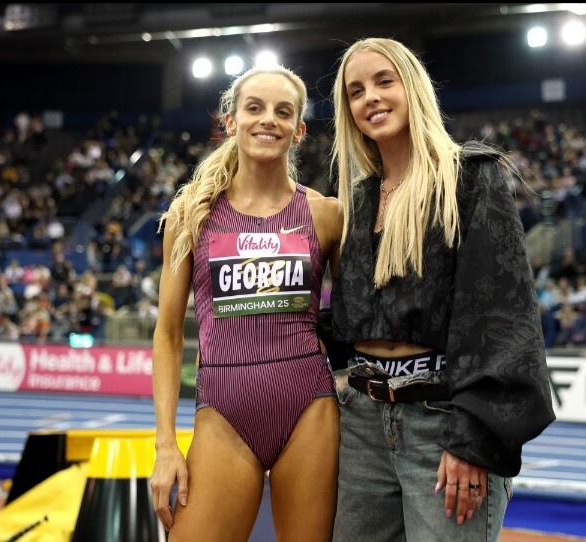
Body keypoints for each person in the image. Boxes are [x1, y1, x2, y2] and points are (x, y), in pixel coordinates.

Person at [327, 38, 556, 541]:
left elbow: (503, 317)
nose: (370, 97)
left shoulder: (471, 178)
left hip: (442, 422)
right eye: (356, 91)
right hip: (361, 424)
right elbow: (351, 319)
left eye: (384, 81)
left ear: (413, 87)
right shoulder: (359, 199)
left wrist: (473, 438)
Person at [150, 65, 342, 542]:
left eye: (283, 112)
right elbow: (168, 335)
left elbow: (357, 317)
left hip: (309, 409)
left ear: (298, 131)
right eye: (255, 108)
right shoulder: (190, 215)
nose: (268, 119)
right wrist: (165, 445)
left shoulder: (326, 215)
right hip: (223, 412)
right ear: (231, 121)